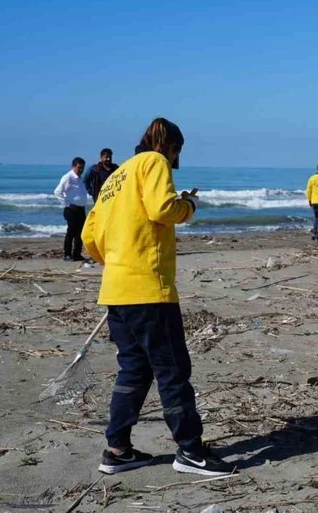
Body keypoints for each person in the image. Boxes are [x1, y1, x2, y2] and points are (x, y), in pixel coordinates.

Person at [82, 118, 234, 476]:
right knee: (172, 370)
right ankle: (191, 452)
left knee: (133, 370)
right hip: (148, 287)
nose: (176, 159)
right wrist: (189, 206)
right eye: (177, 152)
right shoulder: (154, 162)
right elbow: (162, 209)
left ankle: (117, 449)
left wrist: (117, 260)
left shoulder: (114, 178)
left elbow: (91, 235)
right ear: (171, 146)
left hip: (116, 289)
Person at [53, 157, 88, 261]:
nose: (81, 170)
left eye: (82, 168)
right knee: (71, 232)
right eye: (79, 168)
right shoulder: (68, 177)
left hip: (81, 209)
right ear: (73, 166)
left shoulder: (80, 178)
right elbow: (57, 192)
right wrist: (67, 204)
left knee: (80, 233)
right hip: (71, 209)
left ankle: (77, 254)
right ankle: (67, 254)